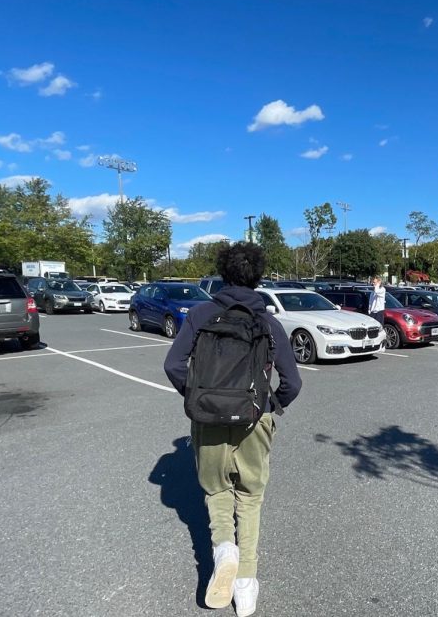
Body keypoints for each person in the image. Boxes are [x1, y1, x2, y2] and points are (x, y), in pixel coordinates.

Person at [164, 242, 302, 616]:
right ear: (258, 277)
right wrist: (271, 407)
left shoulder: (200, 314)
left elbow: (174, 365)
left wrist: (199, 399)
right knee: (251, 496)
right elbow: (292, 382)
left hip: (207, 418)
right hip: (255, 418)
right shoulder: (268, 322)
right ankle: (246, 583)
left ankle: (224, 547)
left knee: (217, 490)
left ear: (223, 274)